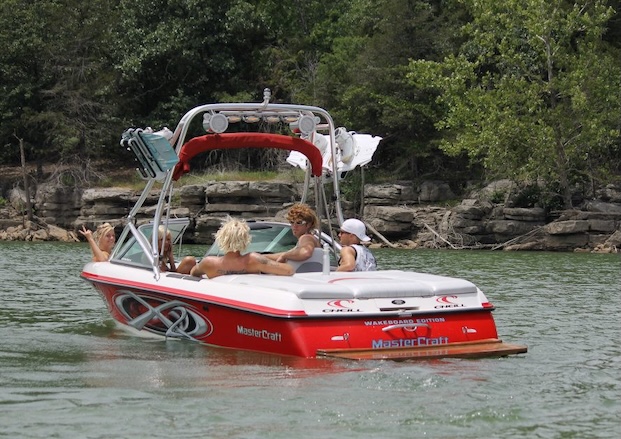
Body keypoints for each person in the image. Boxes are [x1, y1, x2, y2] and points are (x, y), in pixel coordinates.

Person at [190, 216, 294, 279]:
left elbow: (193, 273)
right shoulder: (253, 259)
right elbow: (289, 270)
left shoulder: (208, 263)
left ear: (221, 238)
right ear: (245, 240)